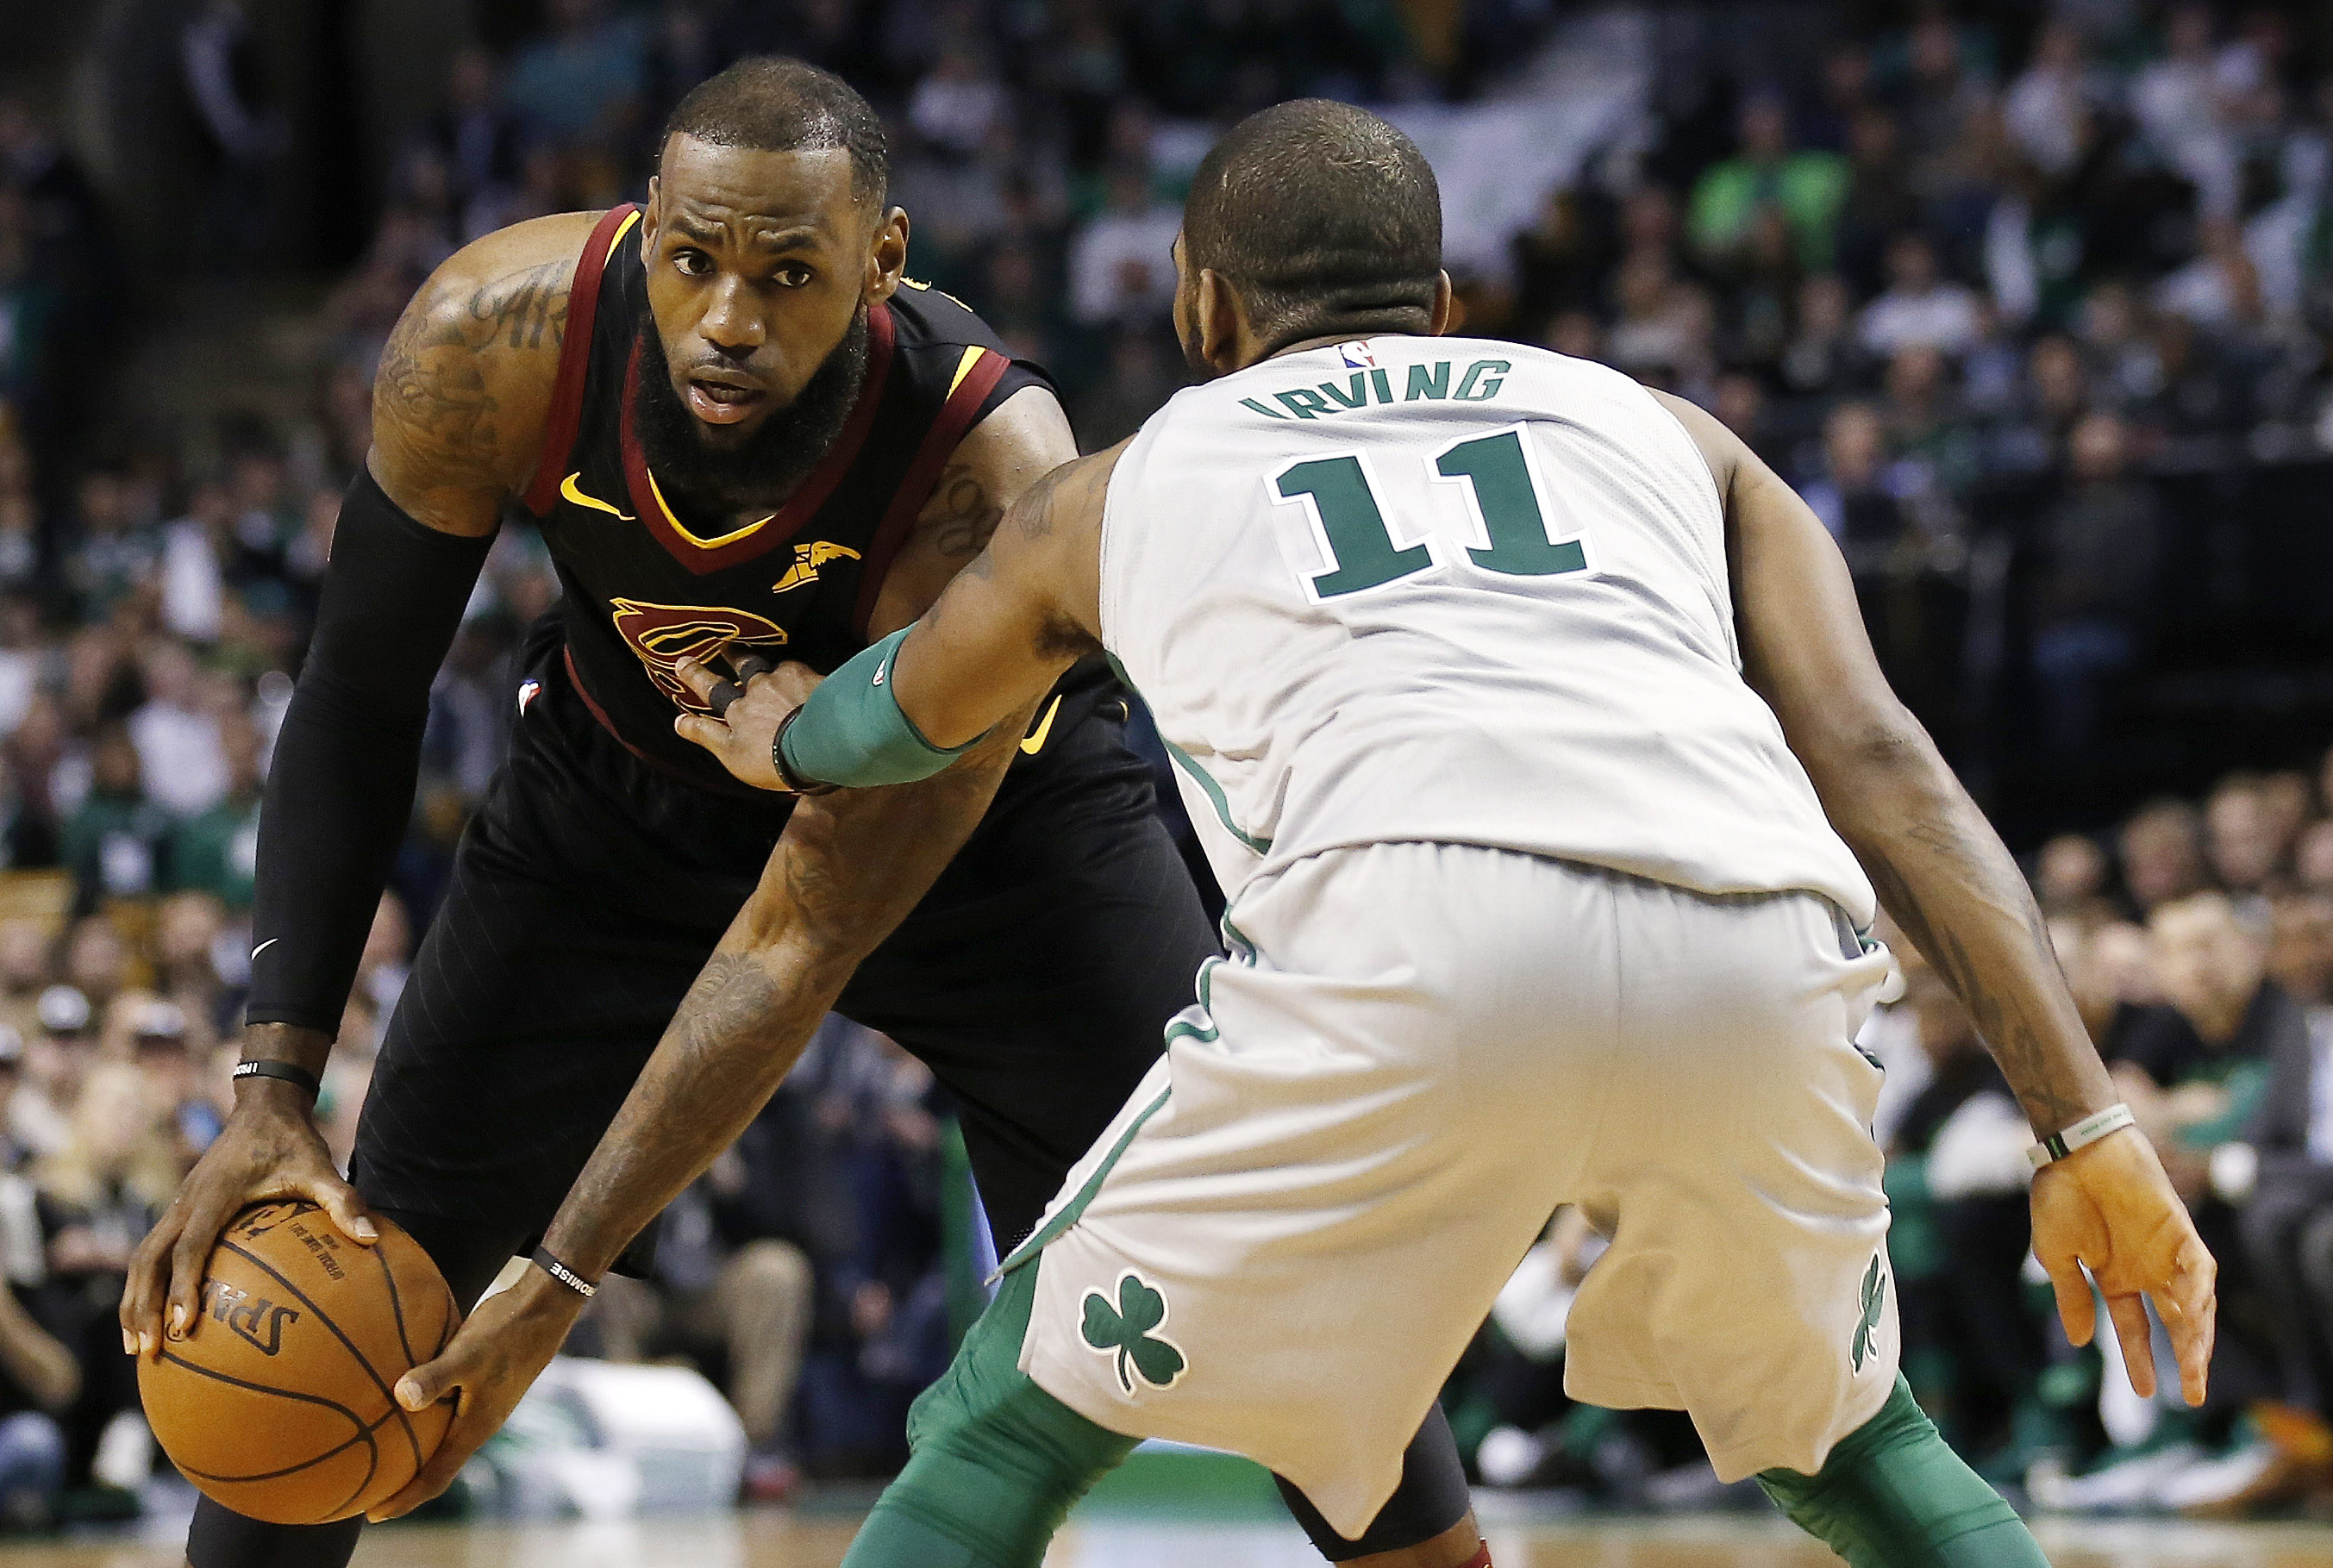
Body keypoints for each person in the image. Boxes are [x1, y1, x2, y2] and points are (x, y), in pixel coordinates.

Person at [545, 100, 2215, 1568]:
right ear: (1447, 308)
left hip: (1404, 935)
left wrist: (780, 730)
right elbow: (1883, 762)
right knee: (1860, 1445)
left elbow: (903, 714)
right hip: (1761, 946)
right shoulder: (1674, 432)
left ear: (1203, 305)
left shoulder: (1121, 484)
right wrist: (2088, 1125)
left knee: (1000, 1428)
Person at [119, 59, 1473, 1568]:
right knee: (341, 1311)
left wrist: (559, 1282)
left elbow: (805, 928)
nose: (725, 319)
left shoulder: (988, 464)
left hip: (988, 847)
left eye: (788, 275)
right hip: (613, 813)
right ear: (643, 227)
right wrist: (270, 1081)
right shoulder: (492, 335)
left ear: (882, 264)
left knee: (1262, 1270)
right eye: (693, 260)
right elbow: (360, 691)